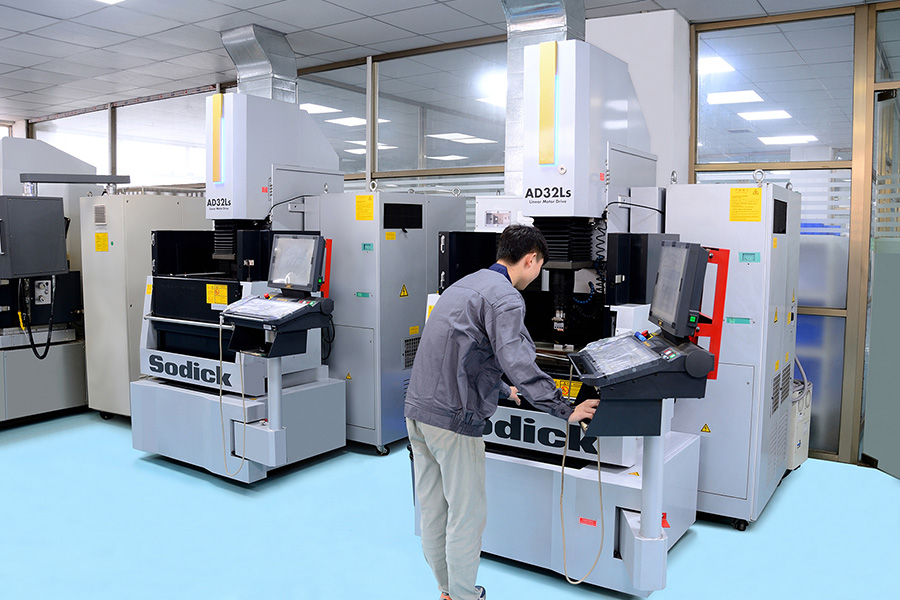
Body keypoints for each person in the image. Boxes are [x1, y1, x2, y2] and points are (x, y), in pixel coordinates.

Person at [405, 223, 599, 600]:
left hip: (417, 411)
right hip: (453, 420)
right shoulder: (506, 297)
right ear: (531, 260)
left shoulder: (465, 284)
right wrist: (566, 409)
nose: (538, 275)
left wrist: (501, 388)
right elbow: (519, 361)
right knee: (467, 515)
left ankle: (447, 590)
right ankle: (464, 595)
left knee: (433, 509)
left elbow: (460, 353)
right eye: (540, 267)